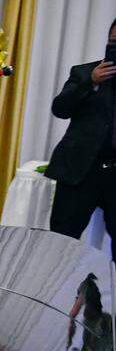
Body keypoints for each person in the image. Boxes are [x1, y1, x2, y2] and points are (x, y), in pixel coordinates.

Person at [46, 17, 116, 262]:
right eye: (112, 43)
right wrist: (90, 83)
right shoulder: (84, 72)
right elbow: (60, 108)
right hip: (79, 171)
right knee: (60, 243)